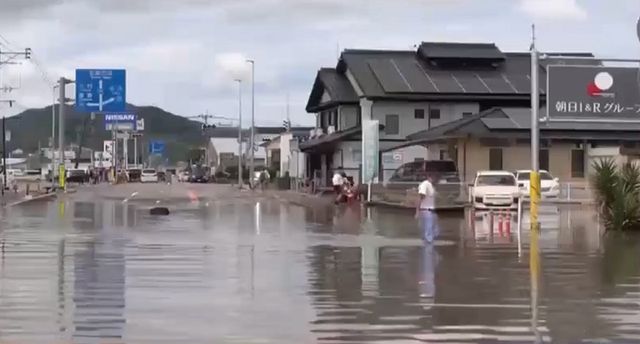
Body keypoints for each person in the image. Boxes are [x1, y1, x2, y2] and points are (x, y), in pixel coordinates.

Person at [416, 174, 439, 243]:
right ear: (429, 177)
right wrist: (417, 211)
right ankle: (428, 249)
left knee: (436, 231)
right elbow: (420, 197)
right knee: (428, 233)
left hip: (432, 211)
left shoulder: (431, 186)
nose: (436, 178)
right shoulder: (425, 184)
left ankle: (429, 247)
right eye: (434, 176)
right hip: (426, 211)